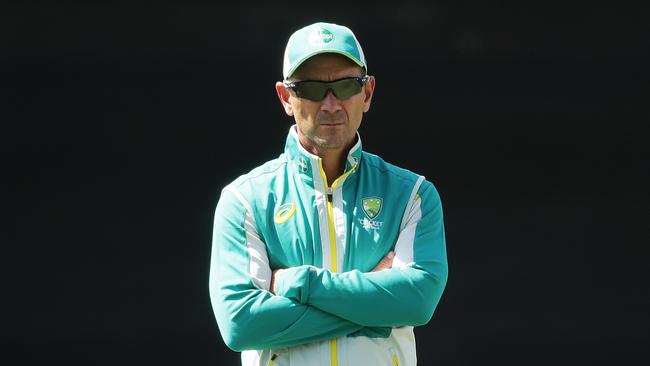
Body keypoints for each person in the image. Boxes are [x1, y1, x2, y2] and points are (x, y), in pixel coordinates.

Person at [209, 22, 448, 366]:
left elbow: (417, 302)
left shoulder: (413, 194)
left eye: (346, 85)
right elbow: (240, 324)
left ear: (366, 94)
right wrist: (376, 310)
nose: (331, 104)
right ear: (285, 98)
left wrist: (300, 283)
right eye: (311, 88)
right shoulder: (244, 200)